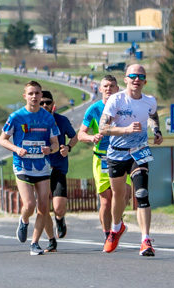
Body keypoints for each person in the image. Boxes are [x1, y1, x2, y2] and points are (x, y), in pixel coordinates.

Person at [99, 64, 163, 257]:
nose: (137, 79)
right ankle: (117, 228)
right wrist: (125, 130)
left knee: (142, 192)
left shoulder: (150, 100)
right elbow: (102, 128)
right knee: (118, 196)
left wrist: (156, 130)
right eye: (133, 76)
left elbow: (153, 115)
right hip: (117, 153)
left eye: (140, 76)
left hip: (139, 151)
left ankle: (145, 240)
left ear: (145, 81)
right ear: (126, 79)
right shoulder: (116, 100)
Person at [0, 80, 59, 255]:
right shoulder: (16, 117)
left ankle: (35, 243)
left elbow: (55, 143)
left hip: (42, 166)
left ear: (41, 95)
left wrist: (50, 149)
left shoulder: (48, 118)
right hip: (22, 165)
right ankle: (24, 220)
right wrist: (17, 149)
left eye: (37, 93)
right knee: (30, 204)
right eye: (30, 93)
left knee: (44, 207)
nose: (34, 96)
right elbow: (2, 139)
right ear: (25, 96)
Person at [76, 75, 120, 241]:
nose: (109, 89)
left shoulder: (122, 107)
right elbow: (81, 134)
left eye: (112, 86)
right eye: (106, 86)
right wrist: (91, 138)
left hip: (122, 156)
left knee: (124, 195)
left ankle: (117, 220)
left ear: (117, 89)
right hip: (102, 158)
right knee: (106, 202)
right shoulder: (93, 110)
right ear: (100, 89)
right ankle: (108, 235)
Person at [41, 89, 77, 252]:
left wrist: (68, 147)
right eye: (41, 102)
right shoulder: (33, 122)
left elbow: (74, 136)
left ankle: (60, 219)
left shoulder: (61, 121)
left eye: (47, 102)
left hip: (58, 167)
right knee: (42, 208)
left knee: (58, 207)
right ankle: (50, 240)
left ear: (53, 104)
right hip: (38, 169)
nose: (44, 105)